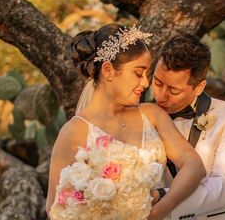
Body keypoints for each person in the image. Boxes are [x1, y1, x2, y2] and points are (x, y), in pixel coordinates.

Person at [46, 24, 206, 220]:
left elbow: (194, 166)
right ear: (108, 70)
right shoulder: (75, 131)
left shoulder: (152, 115)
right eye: (138, 73)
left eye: (146, 75)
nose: (145, 83)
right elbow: (55, 207)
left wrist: (160, 210)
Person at [151, 34, 225, 220]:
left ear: (199, 87)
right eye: (157, 82)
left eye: (173, 90)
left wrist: (163, 198)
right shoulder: (139, 115)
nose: (161, 96)